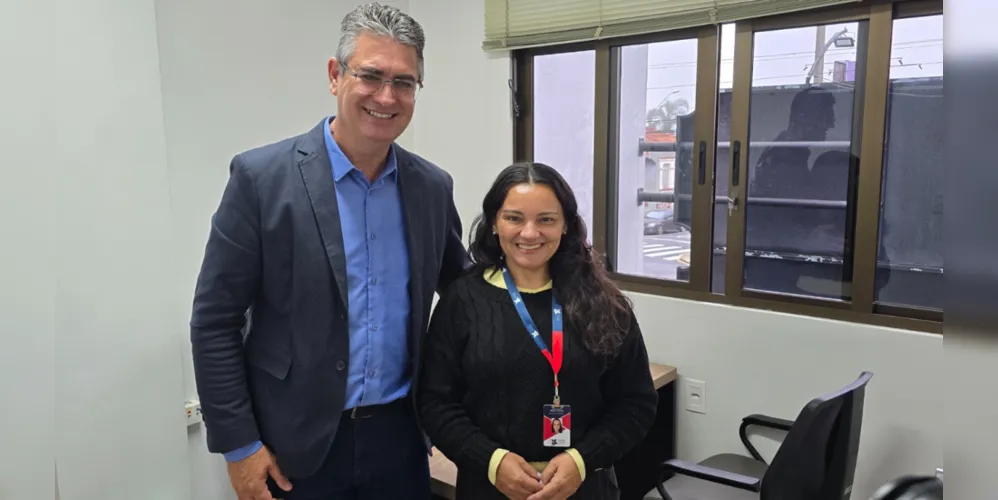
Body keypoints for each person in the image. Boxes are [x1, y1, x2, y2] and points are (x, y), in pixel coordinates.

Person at [189, 3, 469, 499]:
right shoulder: (261, 180)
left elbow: (467, 295)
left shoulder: (430, 187)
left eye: (404, 82)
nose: (387, 96)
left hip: (400, 442)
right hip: (292, 448)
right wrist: (239, 447)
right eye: (371, 75)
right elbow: (215, 321)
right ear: (335, 75)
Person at [417, 162, 658, 500]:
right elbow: (434, 402)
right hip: (490, 489)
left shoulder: (604, 302)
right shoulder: (462, 300)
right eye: (514, 218)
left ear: (565, 227)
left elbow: (636, 404)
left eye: (546, 219)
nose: (529, 233)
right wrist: (491, 460)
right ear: (494, 225)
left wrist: (581, 461)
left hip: (584, 488)